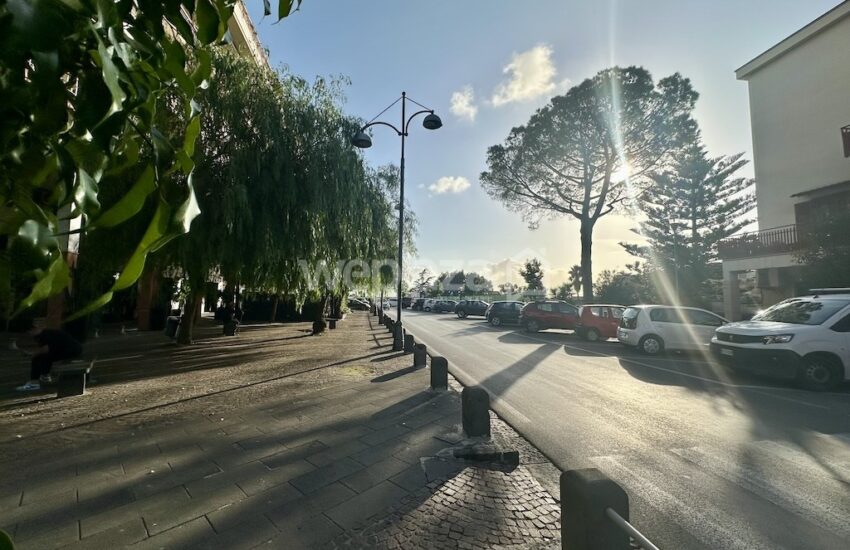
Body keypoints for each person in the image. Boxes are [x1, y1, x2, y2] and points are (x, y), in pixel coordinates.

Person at [16, 323, 83, 391]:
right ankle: (45, 376)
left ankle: (34, 383)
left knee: (37, 358)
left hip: (72, 350)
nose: (29, 335)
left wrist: (32, 354)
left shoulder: (44, 335)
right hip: (69, 349)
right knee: (44, 357)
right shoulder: (43, 333)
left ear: (32, 330)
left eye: (29, 333)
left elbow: (46, 349)